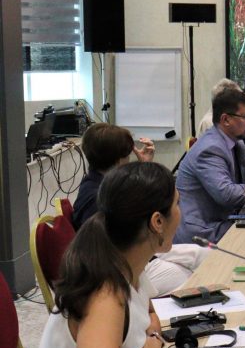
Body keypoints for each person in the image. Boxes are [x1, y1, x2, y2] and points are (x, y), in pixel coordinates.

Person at [5, 162, 176, 348]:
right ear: (157, 222)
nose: (182, 212)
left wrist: (153, 339)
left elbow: (150, 316)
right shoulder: (105, 293)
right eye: (178, 204)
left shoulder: (128, 264)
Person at [72, 123, 206, 296]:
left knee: (202, 255)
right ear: (120, 159)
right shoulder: (100, 199)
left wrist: (145, 168)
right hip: (125, 264)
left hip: (140, 251)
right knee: (194, 276)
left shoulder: (99, 183)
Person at [174, 88, 245, 243]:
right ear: (226, 119)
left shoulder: (236, 143)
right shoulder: (210, 149)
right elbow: (226, 195)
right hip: (202, 232)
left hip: (223, 221)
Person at [72, 124, 155, 229]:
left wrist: (145, 165)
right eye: (127, 156)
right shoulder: (100, 200)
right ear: (119, 160)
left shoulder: (94, 182)